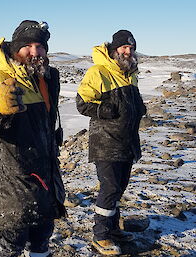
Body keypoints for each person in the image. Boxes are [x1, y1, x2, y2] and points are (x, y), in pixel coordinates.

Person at [0, 20, 66, 257]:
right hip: (11, 195)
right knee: (7, 251)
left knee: (41, 245)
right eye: (27, 45)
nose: (34, 52)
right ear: (14, 49)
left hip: (44, 184)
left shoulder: (44, 79)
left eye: (40, 46)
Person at [76, 30, 146, 255]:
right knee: (110, 188)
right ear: (114, 49)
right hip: (106, 142)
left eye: (131, 48)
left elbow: (130, 100)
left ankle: (113, 229)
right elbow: (82, 102)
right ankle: (101, 235)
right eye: (124, 47)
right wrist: (103, 110)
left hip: (127, 141)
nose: (128, 51)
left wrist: (139, 107)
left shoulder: (130, 73)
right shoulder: (98, 72)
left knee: (119, 189)